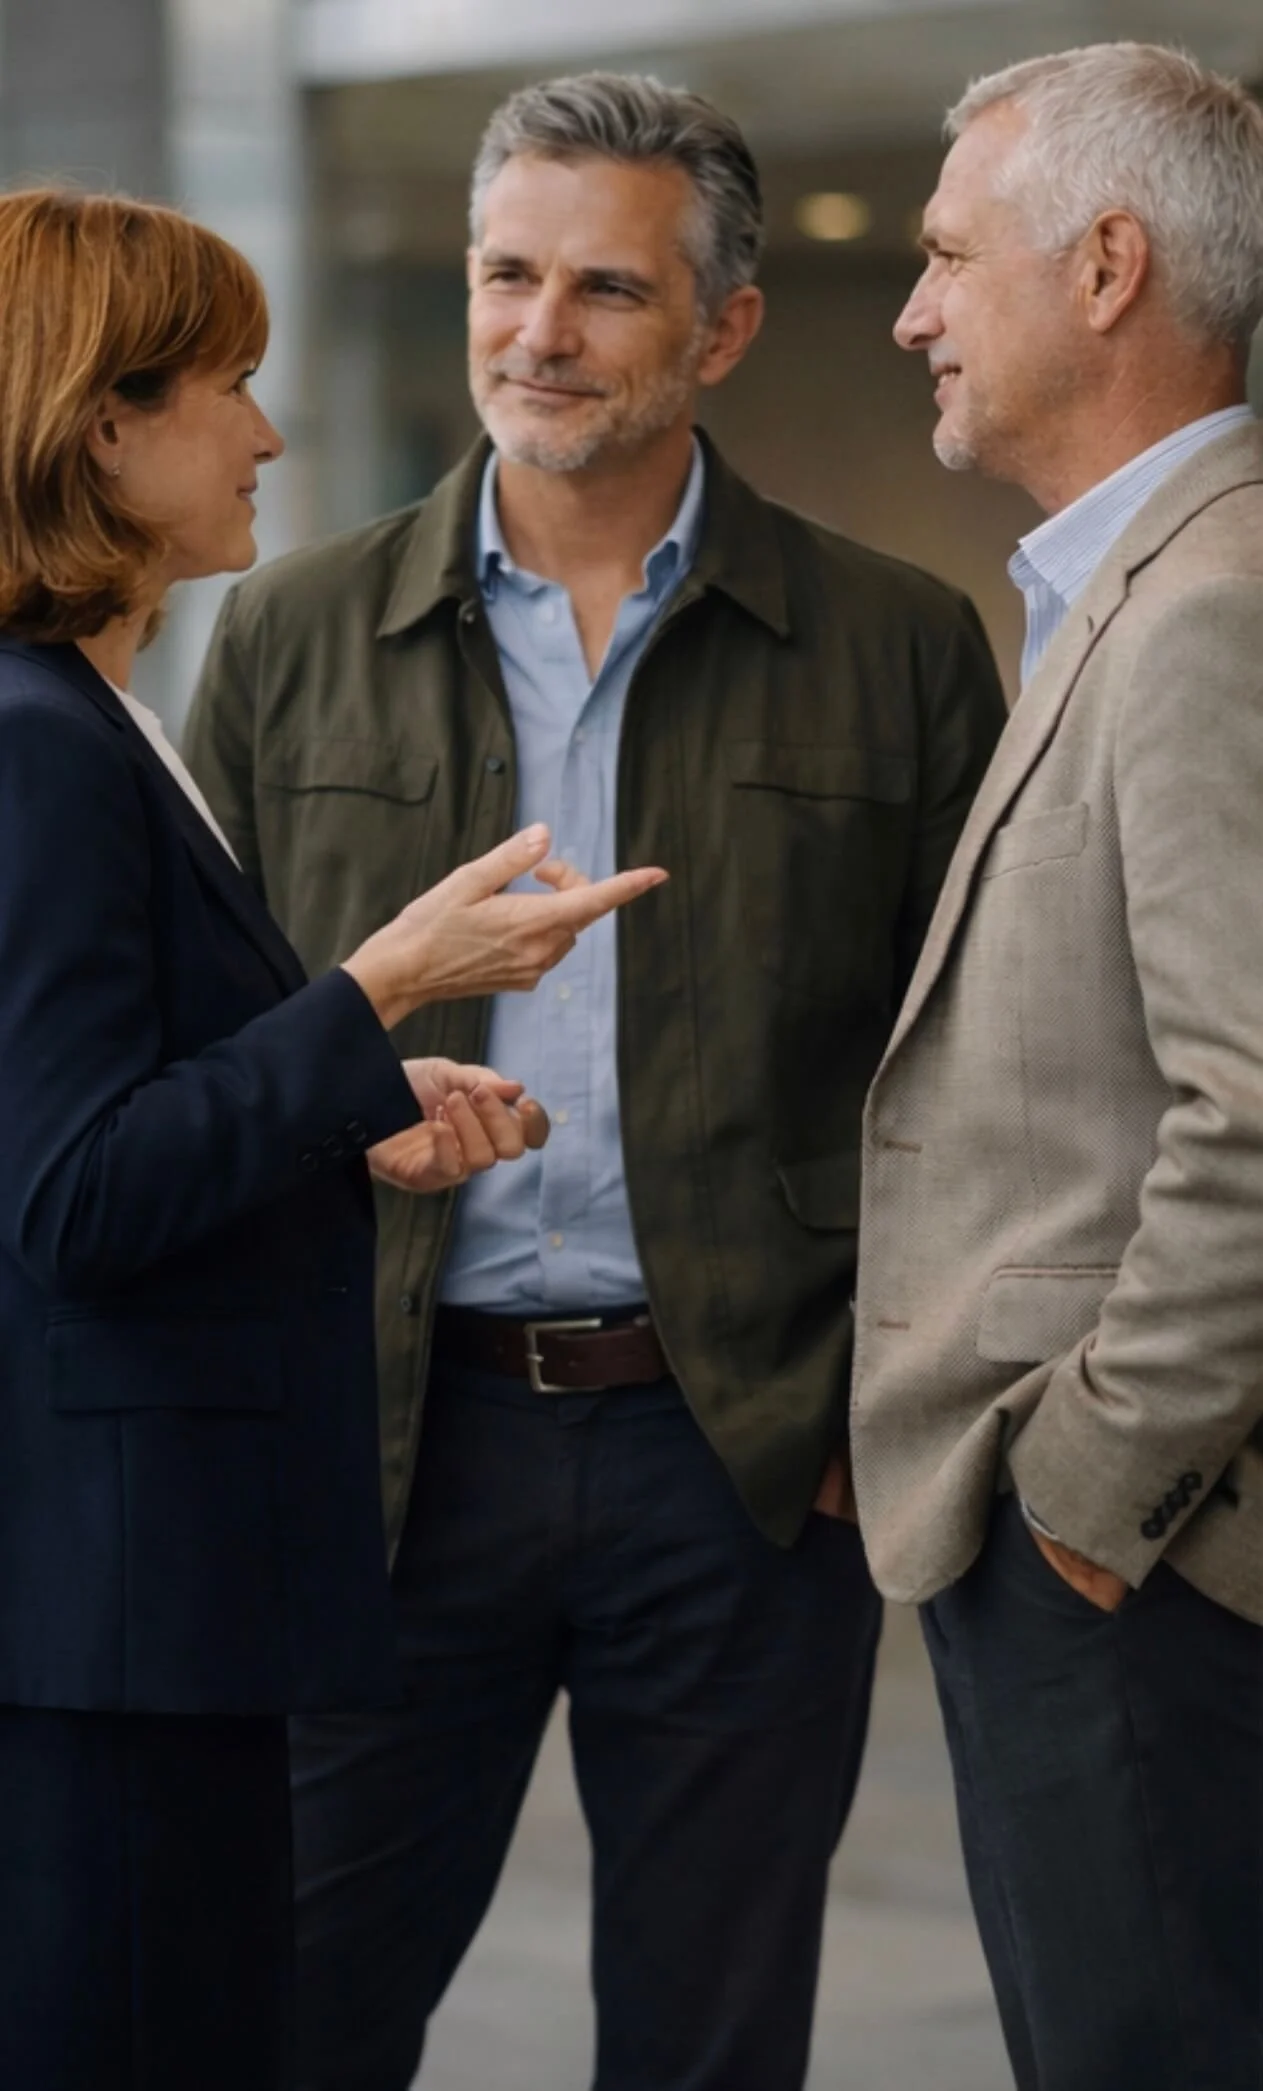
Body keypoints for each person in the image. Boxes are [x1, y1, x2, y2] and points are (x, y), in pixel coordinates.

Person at [184, 72, 1006, 2091]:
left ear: (720, 329)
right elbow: (202, 1047)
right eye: (504, 274)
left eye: (606, 291)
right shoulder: (291, 634)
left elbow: (974, 1069)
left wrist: (854, 1430)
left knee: (709, 2043)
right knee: (288, 2008)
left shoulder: (892, 646)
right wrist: (337, 1116)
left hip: (734, 1468)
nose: (535, 331)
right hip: (385, 1456)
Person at [0, 186, 663, 2091]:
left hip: (143, 1607)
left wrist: (348, 1113)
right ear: (101, 426)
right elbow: (70, 1195)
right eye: (228, 386)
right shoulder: (42, 741)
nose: (269, 435)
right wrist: (375, 990)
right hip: (114, 1625)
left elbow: (117, 1109)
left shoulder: (92, 718)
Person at [849, 41, 1263, 2091]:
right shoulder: (1124, 582)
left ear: (1104, 268)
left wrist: (1092, 1482)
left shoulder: (1206, 607)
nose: (912, 311)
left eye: (942, 256)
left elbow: (1257, 1109)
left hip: (1140, 1557)